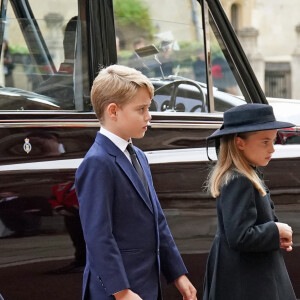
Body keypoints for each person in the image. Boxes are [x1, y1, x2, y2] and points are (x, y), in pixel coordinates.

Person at [75, 65, 197, 300]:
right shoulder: (97, 163)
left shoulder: (138, 155)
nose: (148, 116)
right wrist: (121, 291)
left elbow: (157, 220)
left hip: (145, 284)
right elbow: (98, 235)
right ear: (113, 111)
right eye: (141, 109)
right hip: (115, 291)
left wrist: (177, 273)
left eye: (148, 108)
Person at [203, 103, 296, 300]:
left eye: (273, 140)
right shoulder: (239, 180)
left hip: (248, 277)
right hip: (247, 283)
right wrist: (276, 230)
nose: (272, 148)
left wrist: (275, 238)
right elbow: (240, 236)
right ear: (239, 143)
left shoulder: (246, 174)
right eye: (265, 142)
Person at [48, 181, 86, 274]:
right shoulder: (62, 186)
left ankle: (87, 263)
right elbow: (53, 198)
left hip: (86, 215)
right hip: (70, 217)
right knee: (77, 240)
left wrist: (75, 209)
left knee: (87, 240)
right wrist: (59, 208)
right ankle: (80, 262)